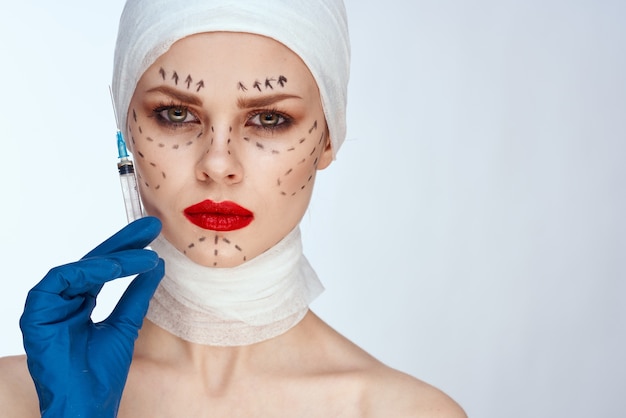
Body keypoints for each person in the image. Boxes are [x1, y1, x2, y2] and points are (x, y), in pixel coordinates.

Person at [0, 0, 467, 416]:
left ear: (328, 138)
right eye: (176, 114)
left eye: (269, 119)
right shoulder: (14, 398)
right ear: (125, 126)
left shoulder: (406, 412)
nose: (218, 164)